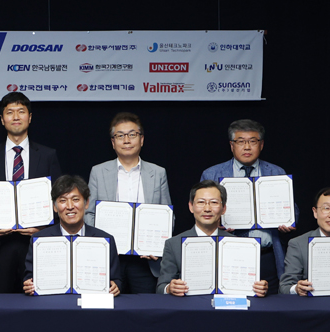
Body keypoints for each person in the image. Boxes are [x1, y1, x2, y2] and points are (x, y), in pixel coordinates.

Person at [0, 92, 62, 293]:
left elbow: (60, 201)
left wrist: (43, 228)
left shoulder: (47, 155)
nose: (16, 117)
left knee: (37, 304)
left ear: (30, 117)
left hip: (36, 244)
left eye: (21, 111)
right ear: (2, 120)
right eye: (10, 112)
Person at [200, 119, 295, 294]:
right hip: (228, 254)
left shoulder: (277, 172)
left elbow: (291, 208)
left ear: (261, 144)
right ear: (231, 145)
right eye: (240, 141)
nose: (247, 147)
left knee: (271, 309)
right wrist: (215, 223)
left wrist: (289, 220)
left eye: (252, 141)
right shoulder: (212, 174)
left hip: (268, 255)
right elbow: (201, 213)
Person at [84, 112, 171, 294]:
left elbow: (168, 216)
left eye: (132, 134)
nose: (126, 140)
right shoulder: (98, 172)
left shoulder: (158, 172)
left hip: (145, 260)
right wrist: (102, 243)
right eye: (120, 136)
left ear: (142, 139)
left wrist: (156, 246)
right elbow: (89, 213)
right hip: (110, 257)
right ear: (113, 142)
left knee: (147, 311)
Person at [157, 180, 269, 297]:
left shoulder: (239, 244)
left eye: (214, 202)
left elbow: (252, 284)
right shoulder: (173, 244)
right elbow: (161, 287)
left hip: (228, 310)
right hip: (190, 309)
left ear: (223, 208)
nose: (207, 208)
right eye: (201, 202)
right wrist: (170, 288)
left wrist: (260, 288)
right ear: (191, 206)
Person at [23, 175, 122, 296]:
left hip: (91, 306)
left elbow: (117, 279)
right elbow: (29, 277)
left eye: (75, 199)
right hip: (52, 304)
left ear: (86, 203)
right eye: (63, 201)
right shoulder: (39, 240)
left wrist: (116, 286)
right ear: (54, 206)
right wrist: (28, 284)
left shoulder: (105, 240)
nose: (70, 206)